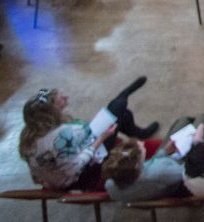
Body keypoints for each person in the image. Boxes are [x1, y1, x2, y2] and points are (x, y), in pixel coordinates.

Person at [19, 80, 158, 190]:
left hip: (65, 164)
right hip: (81, 176)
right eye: (61, 98)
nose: (66, 97)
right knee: (118, 113)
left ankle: (137, 127)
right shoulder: (60, 137)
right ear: (52, 110)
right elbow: (75, 167)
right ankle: (124, 101)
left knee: (122, 115)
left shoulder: (29, 133)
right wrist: (101, 139)